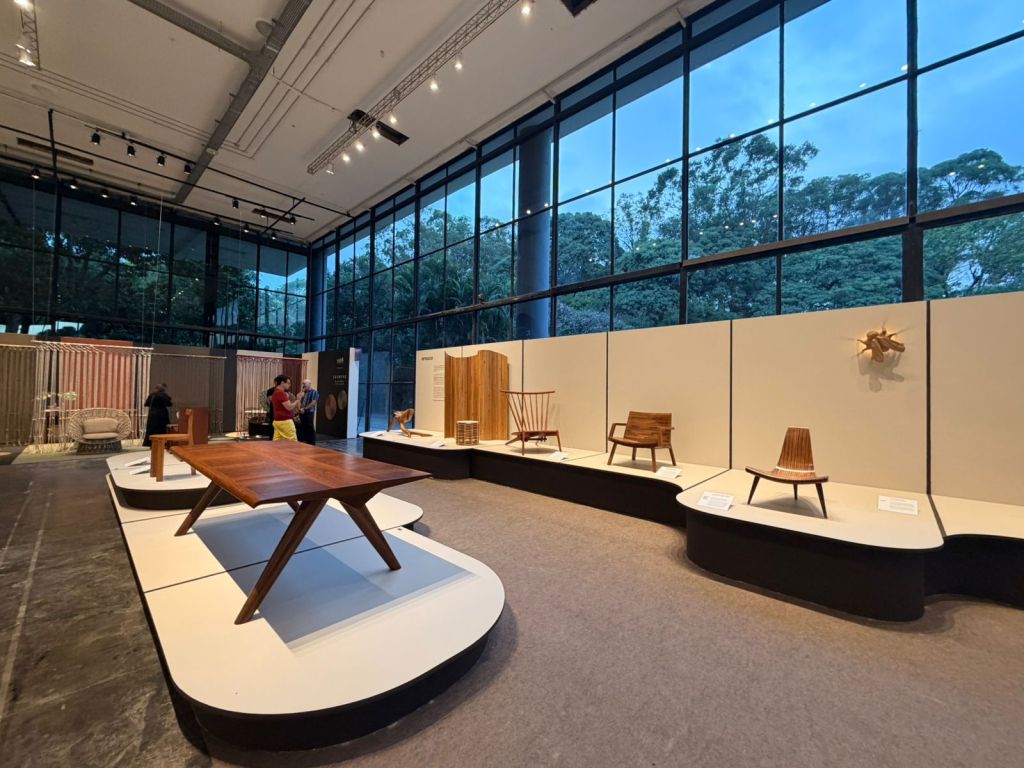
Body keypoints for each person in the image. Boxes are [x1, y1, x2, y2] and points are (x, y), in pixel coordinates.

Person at [270, 374, 300, 441]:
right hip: (285, 422)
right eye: (288, 383)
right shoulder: (281, 393)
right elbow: (289, 407)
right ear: (282, 383)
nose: (289, 385)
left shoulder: (275, 392)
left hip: (278, 421)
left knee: (277, 443)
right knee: (293, 443)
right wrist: (297, 400)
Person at [296, 379, 319, 445]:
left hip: (309, 412)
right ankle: (304, 441)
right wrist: (299, 409)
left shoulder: (314, 392)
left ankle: (311, 442)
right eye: (302, 384)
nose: (303, 385)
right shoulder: (302, 393)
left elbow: (313, 403)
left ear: (309, 384)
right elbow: (298, 401)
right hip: (302, 412)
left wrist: (304, 409)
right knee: (303, 426)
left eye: (304, 384)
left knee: (309, 426)